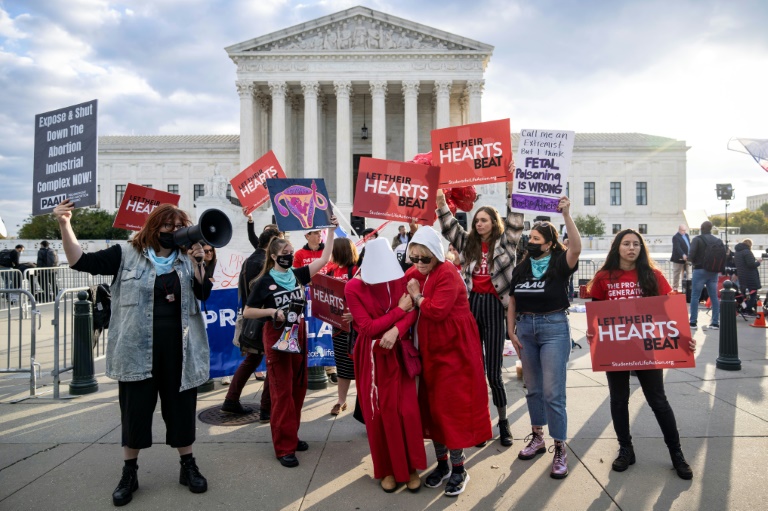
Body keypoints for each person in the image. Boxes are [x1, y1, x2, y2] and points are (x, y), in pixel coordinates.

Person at [52, 199, 212, 506]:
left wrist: (199, 262)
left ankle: (187, 466)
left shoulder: (188, 257)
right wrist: (65, 223)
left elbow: (203, 293)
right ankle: (129, 472)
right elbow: (79, 261)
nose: (176, 232)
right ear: (155, 227)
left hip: (180, 350)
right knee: (135, 412)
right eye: (169, 225)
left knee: (180, 410)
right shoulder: (125, 254)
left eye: (180, 227)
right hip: (136, 350)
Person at [586, 228, 694, 480]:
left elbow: (668, 313)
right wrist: (592, 333)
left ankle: (676, 453)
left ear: (641, 248)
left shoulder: (653, 275)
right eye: (626, 244)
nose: (631, 248)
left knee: (658, 400)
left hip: (648, 347)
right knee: (618, 399)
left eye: (636, 244)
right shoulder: (603, 277)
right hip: (615, 347)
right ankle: (626, 449)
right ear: (617, 247)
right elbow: (596, 314)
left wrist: (685, 340)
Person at [243, 216, 337, 468]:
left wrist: (330, 229)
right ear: (274, 256)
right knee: (282, 393)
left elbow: (325, 259)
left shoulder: (297, 275)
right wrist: (272, 312)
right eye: (285, 252)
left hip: (298, 334)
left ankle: (292, 436)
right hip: (276, 338)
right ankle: (283, 447)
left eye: (291, 252)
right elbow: (248, 311)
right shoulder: (264, 281)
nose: (289, 255)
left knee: (298, 388)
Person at [405, 227, 492, 497]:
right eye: (414, 258)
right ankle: (442, 465)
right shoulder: (422, 272)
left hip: (454, 351)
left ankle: (459, 469)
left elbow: (437, 310)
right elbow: (397, 284)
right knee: (432, 408)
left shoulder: (447, 273)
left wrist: (417, 297)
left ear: (436, 254)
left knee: (449, 410)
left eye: (424, 258)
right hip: (432, 349)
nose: (419, 263)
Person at [436, 187, 523, 447]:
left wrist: (511, 189)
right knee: (473, 371)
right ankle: (478, 425)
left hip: (496, 308)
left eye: (484, 219)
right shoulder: (468, 242)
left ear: (494, 222)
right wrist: (441, 200)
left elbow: (516, 220)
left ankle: (504, 423)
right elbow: (449, 227)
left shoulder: (506, 242)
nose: (479, 223)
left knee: (494, 373)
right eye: (476, 220)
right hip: (472, 306)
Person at [506, 196, 580, 480]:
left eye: (536, 238)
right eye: (530, 237)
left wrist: (566, 215)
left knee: (553, 393)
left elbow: (576, 246)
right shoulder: (523, 266)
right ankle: (537, 437)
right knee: (533, 389)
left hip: (554, 327)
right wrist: (511, 330)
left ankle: (559, 446)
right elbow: (513, 300)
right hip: (526, 329)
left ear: (549, 243)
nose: (531, 241)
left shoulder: (561, 262)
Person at [345, 238, 425, 493]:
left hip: (397, 353)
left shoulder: (398, 278)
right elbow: (368, 329)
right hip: (371, 358)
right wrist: (398, 315)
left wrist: (396, 330)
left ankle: (410, 467)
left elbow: (413, 311)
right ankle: (387, 469)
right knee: (380, 415)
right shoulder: (353, 287)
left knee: (407, 411)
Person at [220, 226, 279, 420]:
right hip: (263, 320)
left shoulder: (249, 260)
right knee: (273, 361)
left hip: (251, 320)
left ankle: (231, 400)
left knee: (252, 361)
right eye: (278, 242)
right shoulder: (264, 262)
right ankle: (266, 407)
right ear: (271, 243)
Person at [293, 229, 338, 384]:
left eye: (320, 233)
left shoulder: (328, 251)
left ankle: (331, 368)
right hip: (307, 299)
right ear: (307, 236)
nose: (320, 236)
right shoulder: (299, 254)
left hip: (325, 296)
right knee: (311, 331)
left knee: (327, 330)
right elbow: (296, 275)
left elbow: (333, 271)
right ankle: (309, 364)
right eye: (316, 233)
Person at [323, 237, 359, 415]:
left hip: (356, 328)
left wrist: (356, 314)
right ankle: (341, 401)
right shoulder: (331, 270)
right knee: (343, 366)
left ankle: (363, 404)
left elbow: (367, 297)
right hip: (338, 328)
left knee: (360, 367)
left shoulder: (356, 270)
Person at [688, 221, 722, 330]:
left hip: (699, 270)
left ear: (701, 228)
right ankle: (715, 322)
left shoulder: (697, 239)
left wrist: (691, 261)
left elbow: (691, 254)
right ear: (711, 229)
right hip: (713, 271)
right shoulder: (717, 240)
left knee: (695, 296)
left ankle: (693, 322)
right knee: (714, 297)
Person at [733, 238, 761, 315]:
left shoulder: (737, 253)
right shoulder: (747, 252)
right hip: (750, 276)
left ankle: (743, 309)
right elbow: (751, 265)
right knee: (753, 294)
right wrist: (758, 262)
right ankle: (748, 310)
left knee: (744, 294)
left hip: (742, 276)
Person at [670, 224, 691, 292]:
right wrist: (683, 254)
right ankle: (675, 288)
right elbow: (677, 247)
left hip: (687, 258)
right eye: (682, 230)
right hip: (678, 258)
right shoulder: (676, 237)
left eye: (685, 230)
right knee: (676, 273)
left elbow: (688, 245)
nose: (684, 232)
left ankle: (686, 287)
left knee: (687, 273)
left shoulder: (687, 235)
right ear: (679, 230)